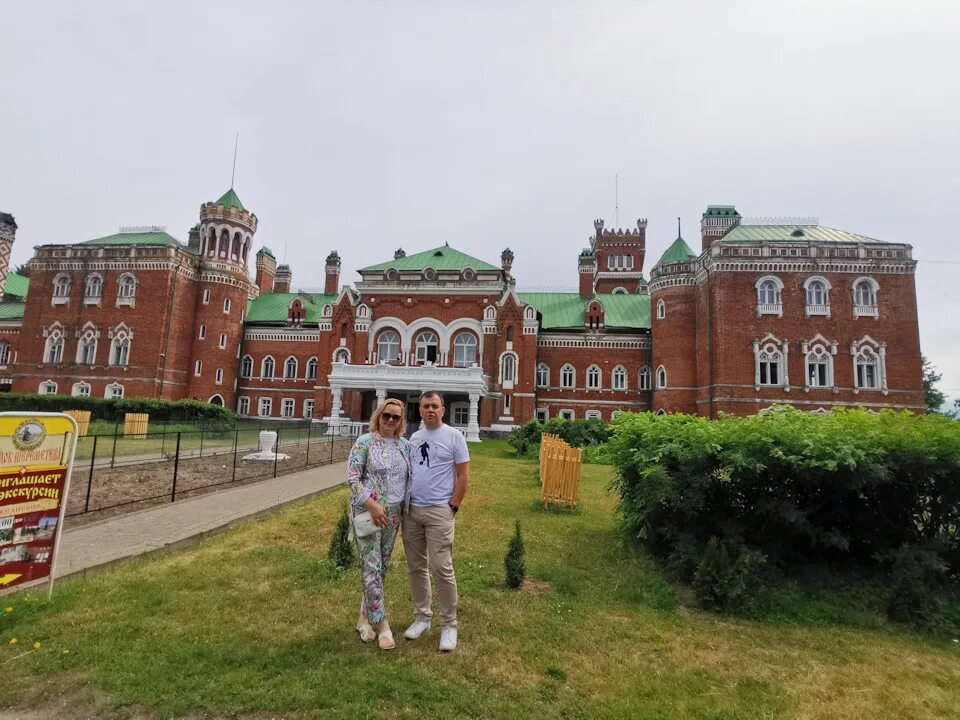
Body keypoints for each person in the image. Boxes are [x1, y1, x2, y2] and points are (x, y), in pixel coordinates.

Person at [403, 390, 470, 651]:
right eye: (425, 406)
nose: (430, 410)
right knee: (416, 567)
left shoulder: (454, 436)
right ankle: (422, 617)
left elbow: (463, 476)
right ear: (419, 410)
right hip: (412, 511)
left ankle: (449, 625)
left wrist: (452, 506)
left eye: (435, 406)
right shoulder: (415, 437)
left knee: (442, 568)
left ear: (443, 410)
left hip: (439, 511)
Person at [345, 398, 412, 650]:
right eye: (387, 416)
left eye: (396, 417)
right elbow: (352, 478)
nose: (391, 421)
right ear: (378, 416)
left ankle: (364, 619)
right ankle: (381, 623)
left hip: (394, 514)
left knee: (381, 567)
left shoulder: (404, 446)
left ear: (401, 421)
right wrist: (373, 505)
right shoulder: (365, 442)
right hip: (370, 513)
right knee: (370, 566)